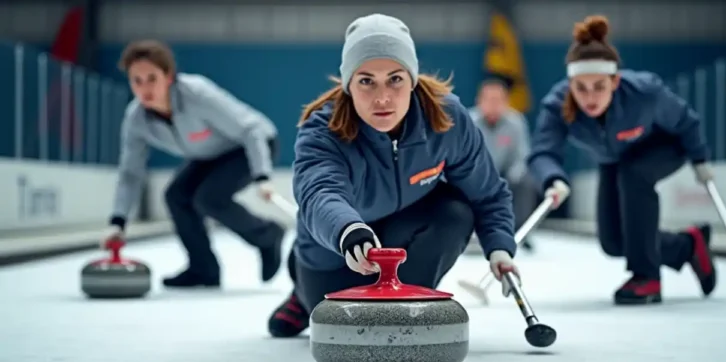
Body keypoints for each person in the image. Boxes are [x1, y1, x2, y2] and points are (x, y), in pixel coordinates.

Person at [267, 13, 520, 337]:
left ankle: (404, 310)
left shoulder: (447, 119)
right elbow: (319, 192)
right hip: (340, 254)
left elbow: (486, 193)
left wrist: (499, 246)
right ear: (348, 85)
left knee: (455, 211)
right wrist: (347, 230)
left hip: (401, 243)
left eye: (395, 79)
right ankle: (302, 298)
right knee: (338, 326)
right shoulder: (322, 130)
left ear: (412, 78)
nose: (382, 97)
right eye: (366, 81)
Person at [527, 15, 717, 305]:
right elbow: (543, 151)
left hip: (665, 146)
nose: (590, 97)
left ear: (615, 81)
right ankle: (688, 245)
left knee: (634, 173)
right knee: (614, 242)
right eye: (581, 88)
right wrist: (552, 178)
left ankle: (647, 277)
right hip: (614, 157)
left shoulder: (645, 93)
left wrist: (700, 159)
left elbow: (686, 121)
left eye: (599, 87)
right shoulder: (557, 105)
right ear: (570, 83)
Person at [102, 40, 285, 289]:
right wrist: (118, 222)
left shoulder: (195, 93)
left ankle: (268, 234)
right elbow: (130, 173)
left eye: (151, 78)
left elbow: (251, 130)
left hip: (253, 144)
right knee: (176, 195)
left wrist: (262, 175)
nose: (145, 88)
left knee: (209, 198)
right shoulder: (136, 119)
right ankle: (204, 269)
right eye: (137, 80)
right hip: (209, 155)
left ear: (168, 77)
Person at [469, 77, 537, 251]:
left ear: (506, 101)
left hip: (507, 176)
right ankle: (469, 232)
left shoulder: (516, 122)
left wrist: (511, 177)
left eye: (498, 100)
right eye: (489, 100)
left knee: (527, 180)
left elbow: (522, 156)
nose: (493, 104)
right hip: (477, 175)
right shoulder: (469, 122)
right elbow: (463, 157)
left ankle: (521, 231)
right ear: (479, 101)